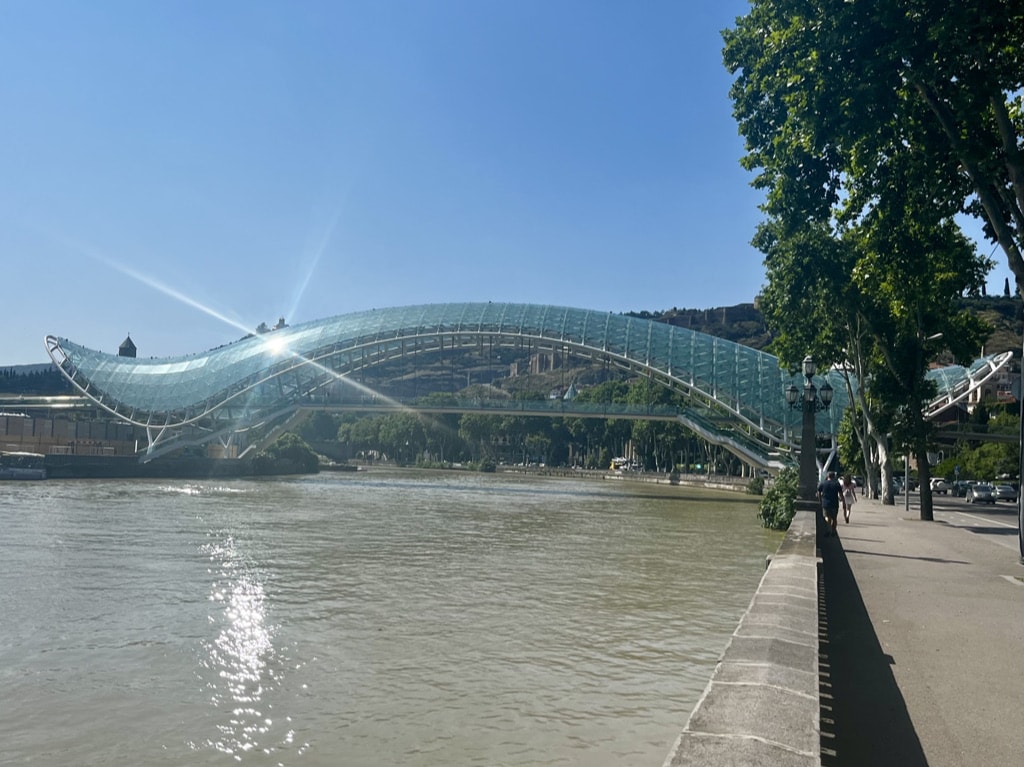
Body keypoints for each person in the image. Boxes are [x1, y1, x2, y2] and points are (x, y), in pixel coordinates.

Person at [817, 471, 843, 536]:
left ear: (827, 476)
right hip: (834, 504)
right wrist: (841, 499)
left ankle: (828, 529)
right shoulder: (837, 484)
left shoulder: (823, 483)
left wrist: (820, 500)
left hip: (825, 503)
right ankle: (833, 531)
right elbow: (840, 494)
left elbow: (818, 493)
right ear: (834, 477)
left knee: (826, 517)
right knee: (834, 519)